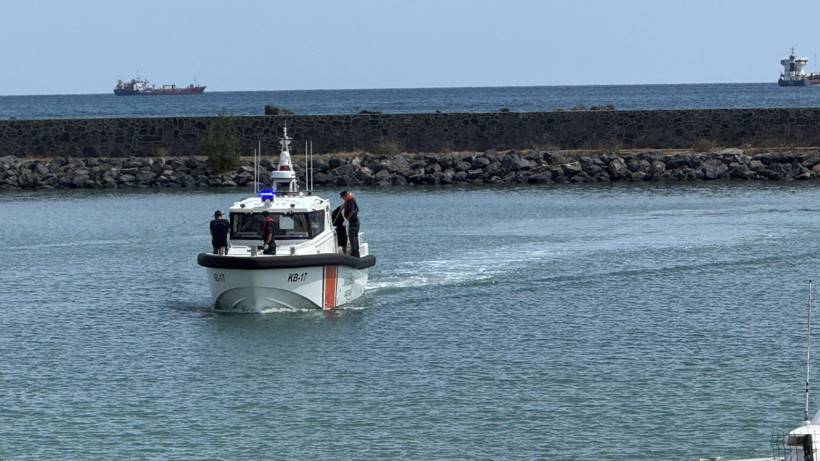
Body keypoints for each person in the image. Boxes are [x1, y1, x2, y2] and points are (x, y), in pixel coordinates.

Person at [340, 190, 360, 257]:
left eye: (342, 197)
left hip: (353, 220)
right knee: (354, 236)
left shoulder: (350, 200)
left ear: (344, 196)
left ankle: (354, 252)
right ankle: (356, 251)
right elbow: (343, 206)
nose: (342, 199)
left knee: (352, 236)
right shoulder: (348, 200)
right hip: (354, 221)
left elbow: (353, 210)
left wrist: (347, 218)